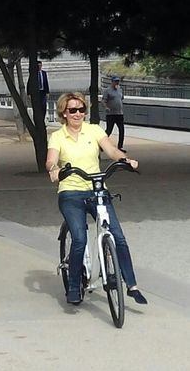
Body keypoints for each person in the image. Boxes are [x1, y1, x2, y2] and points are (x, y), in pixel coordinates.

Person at [45, 92, 147, 306]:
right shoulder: (57, 136)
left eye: (81, 109)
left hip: (96, 189)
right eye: (72, 110)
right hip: (70, 193)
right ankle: (74, 286)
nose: (78, 114)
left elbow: (110, 150)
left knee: (117, 236)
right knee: (79, 238)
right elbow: (51, 160)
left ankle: (131, 285)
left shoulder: (94, 130)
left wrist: (126, 160)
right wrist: (54, 169)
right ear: (64, 112)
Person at [103, 76, 126, 152]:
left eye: (118, 81)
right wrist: (106, 107)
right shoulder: (107, 90)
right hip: (111, 114)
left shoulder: (120, 90)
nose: (117, 83)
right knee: (109, 130)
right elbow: (103, 100)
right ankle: (102, 144)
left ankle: (120, 146)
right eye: (115, 81)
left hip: (119, 113)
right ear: (112, 82)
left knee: (121, 130)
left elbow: (121, 98)